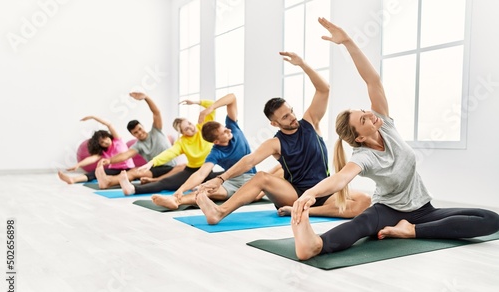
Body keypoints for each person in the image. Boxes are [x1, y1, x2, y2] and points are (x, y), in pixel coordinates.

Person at [289, 17, 499, 261]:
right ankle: (314, 244)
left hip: (423, 210)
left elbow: (372, 81)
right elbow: (340, 178)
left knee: (491, 219)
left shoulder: (384, 124)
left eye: (364, 111)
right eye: (363, 120)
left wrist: (347, 42)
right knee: (362, 225)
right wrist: (309, 194)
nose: (369, 114)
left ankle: (410, 231)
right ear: (359, 137)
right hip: (387, 211)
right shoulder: (364, 156)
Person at [195, 51, 371, 225]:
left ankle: (303, 209)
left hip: (325, 191)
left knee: (364, 201)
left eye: (291, 111)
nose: (293, 117)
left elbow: (324, 89)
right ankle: (219, 212)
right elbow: (249, 161)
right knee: (262, 177)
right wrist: (220, 178)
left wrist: (302, 64)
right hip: (295, 193)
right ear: (274, 123)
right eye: (285, 117)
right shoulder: (275, 143)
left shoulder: (311, 122)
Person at [151, 93, 265, 209]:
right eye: (224, 132)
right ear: (216, 141)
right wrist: (181, 190)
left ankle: (255, 194)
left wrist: (210, 108)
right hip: (230, 182)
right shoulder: (215, 153)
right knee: (206, 191)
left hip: (251, 179)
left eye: (225, 128)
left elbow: (232, 98)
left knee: (271, 177)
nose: (228, 130)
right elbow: (201, 173)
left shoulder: (233, 127)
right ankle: (176, 201)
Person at [118, 98, 222, 195]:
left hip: (207, 169)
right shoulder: (182, 142)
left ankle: (199, 185)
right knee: (165, 183)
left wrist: (196, 102)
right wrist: (152, 162)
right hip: (190, 171)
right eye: (186, 129)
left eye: (189, 124)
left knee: (227, 175)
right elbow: (169, 153)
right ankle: (133, 189)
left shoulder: (203, 127)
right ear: (182, 133)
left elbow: (212, 106)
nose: (191, 128)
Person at [96, 92, 184, 189]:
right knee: (134, 171)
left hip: (171, 169)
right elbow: (125, 155)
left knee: (183, 166)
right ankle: (108, 181)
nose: (139, 133)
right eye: (135, 132)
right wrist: (109, 161)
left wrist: (146, 98)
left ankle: (155, 181)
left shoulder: (156, 130)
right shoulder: (138, 145)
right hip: (154, 170)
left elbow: (156, 112)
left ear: (142, 126)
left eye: (139, 129)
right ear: (133, 135)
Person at [58, 116, 135, 184]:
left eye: (105, 138)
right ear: (100, 145)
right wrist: (78, 165)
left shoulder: (117, 140)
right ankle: (73, 180)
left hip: (129, 168)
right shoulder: (103, 151)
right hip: (114, 170)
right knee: (95, 173)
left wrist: (93, 117)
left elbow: (109, 125)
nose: (105, 142)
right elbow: (91, 159)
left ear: (108, 136)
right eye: (102, 142)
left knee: (136, 174)